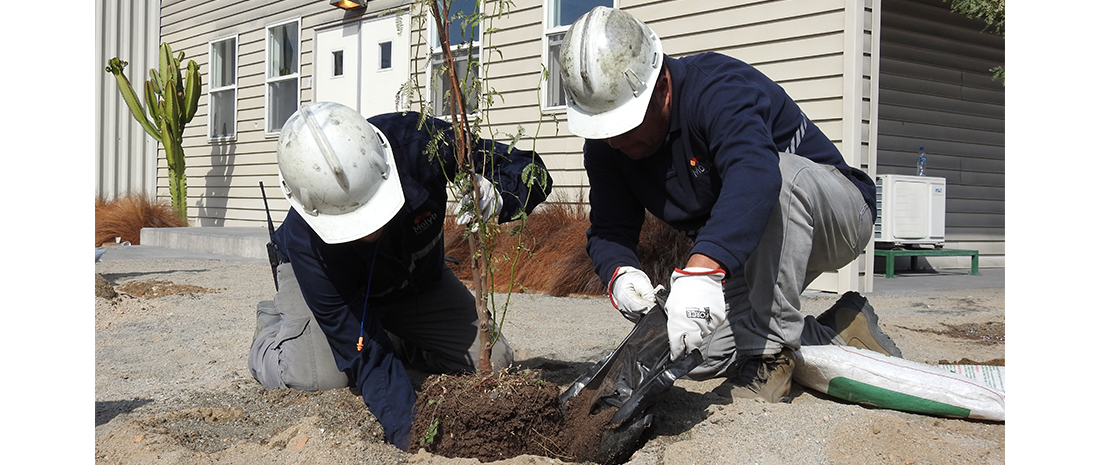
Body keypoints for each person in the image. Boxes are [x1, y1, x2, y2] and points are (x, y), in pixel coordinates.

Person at [557, 7, 899, 403]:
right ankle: (840, 328)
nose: (617, 141)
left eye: (626, 124)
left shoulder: (717, 88)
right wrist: (620, 274)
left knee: (778, 173)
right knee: (693, 348)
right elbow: (610, 230)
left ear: (662, 88)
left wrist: (702, 271)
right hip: (756, 242)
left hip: (836, 215)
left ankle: (769, 357)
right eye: (606, 129)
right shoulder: (608, 146)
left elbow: (754, 175)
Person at [248, 102, 552, 450]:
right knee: (320, 376)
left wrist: (500, 196)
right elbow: (366, 354)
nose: (368, 232)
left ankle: (400, 335)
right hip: (336, 294)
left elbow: (531, 170)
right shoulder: (306, 243)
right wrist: (411, 436)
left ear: (385, 169)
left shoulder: (423, 143)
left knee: (494, 361)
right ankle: (272, 331)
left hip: (413, 280)